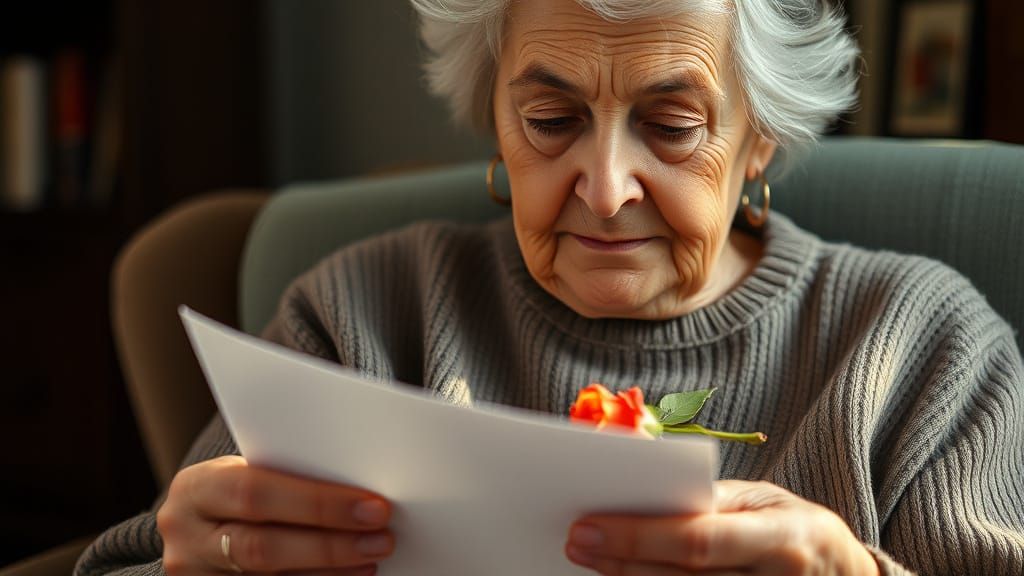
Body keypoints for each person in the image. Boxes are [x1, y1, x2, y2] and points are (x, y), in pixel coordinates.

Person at [77, 0, 1024, 574]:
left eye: (672, 124)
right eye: (550, 118)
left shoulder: (922, 347)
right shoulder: (363, 312)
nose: (605, 192)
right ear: (494, 116)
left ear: (761, 136)